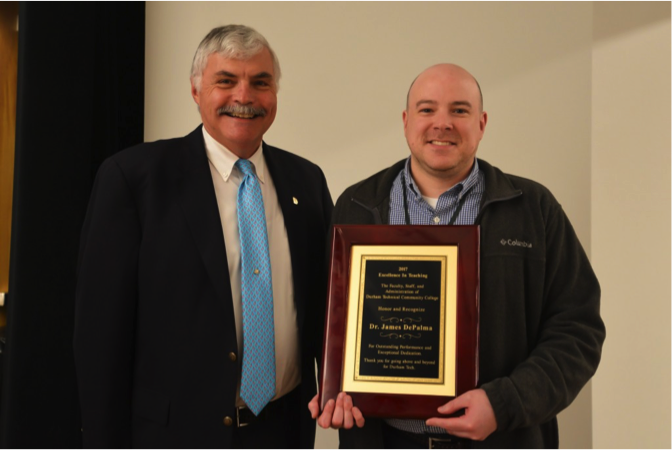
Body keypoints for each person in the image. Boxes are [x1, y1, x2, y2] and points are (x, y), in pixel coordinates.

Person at [308, 63, 605, 449]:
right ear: (405, 121)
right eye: (427, 109)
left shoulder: (533, 209)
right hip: (384, 441)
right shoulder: (357, 205)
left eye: (459, 110)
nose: (442, 123)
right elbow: (330, 322)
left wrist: (504, 404)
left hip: (502, 441)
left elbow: (578, 331)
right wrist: (336, 390)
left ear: (481, 123)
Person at [74, 25, 333, 449]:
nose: (244, 97)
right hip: (175, 436)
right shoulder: (134, 180)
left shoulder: (306, 181)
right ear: (196, 91)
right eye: (226, 81)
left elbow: (328, 306)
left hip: (283, 431)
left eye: (260, 83)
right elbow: (99, 337)